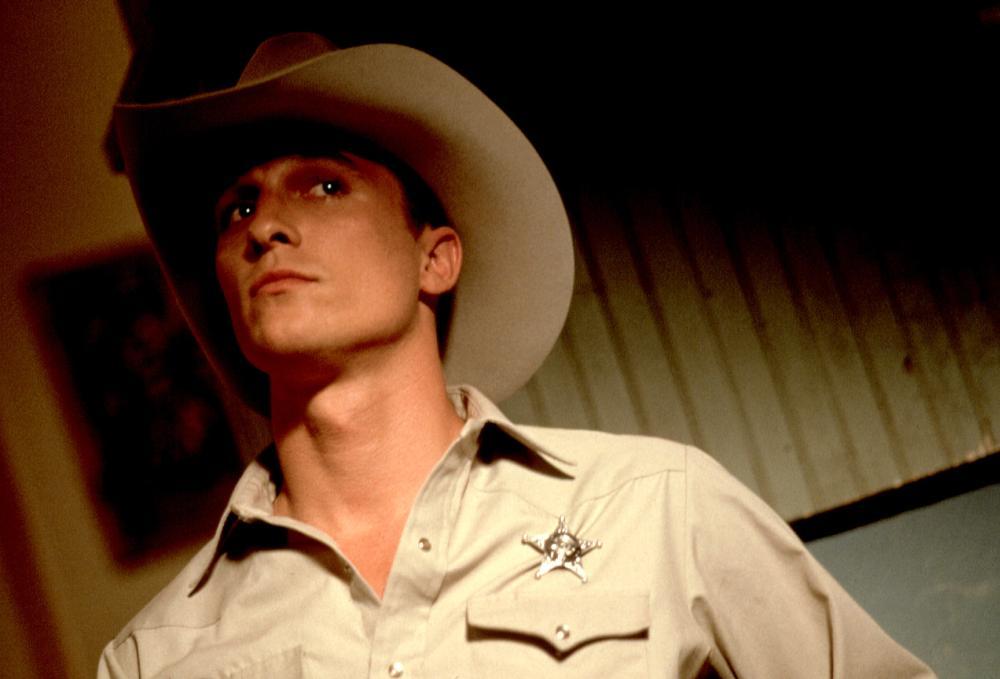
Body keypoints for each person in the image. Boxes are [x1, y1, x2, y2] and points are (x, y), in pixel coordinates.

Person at [99, 32, 936, 678]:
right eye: (237, 208)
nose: (267, 227)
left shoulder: (657, 510)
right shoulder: (156, 655)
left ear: (435, 258)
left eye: (325, 184)